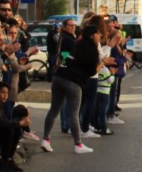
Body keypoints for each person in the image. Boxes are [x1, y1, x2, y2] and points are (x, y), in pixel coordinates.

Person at [40, 22, 98, 155]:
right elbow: (92, 71)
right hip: (73, 81)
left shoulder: (76, 43)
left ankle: (45, 139)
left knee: (54, 109)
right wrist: (103, 63)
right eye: (98, 33)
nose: (99, 36)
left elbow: (66, 59)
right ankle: (78, 144)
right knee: (73, 113)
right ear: (91, 35)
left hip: (59, 76)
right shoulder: (91, 49)